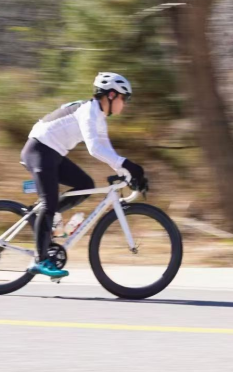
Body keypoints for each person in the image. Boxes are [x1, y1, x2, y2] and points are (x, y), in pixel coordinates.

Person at [20, 72, 145, 278]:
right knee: (49, 202)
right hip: (39, 150)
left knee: (85, 184)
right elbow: (94, 148)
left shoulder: (98, 117)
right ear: (111, 95)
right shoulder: (88, 111)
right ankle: (40, 260)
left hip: (53, 153)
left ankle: (42, 218)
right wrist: (128, 165)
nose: (125, 104)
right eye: (124, 98)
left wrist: (127, 173)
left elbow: (107, 151)